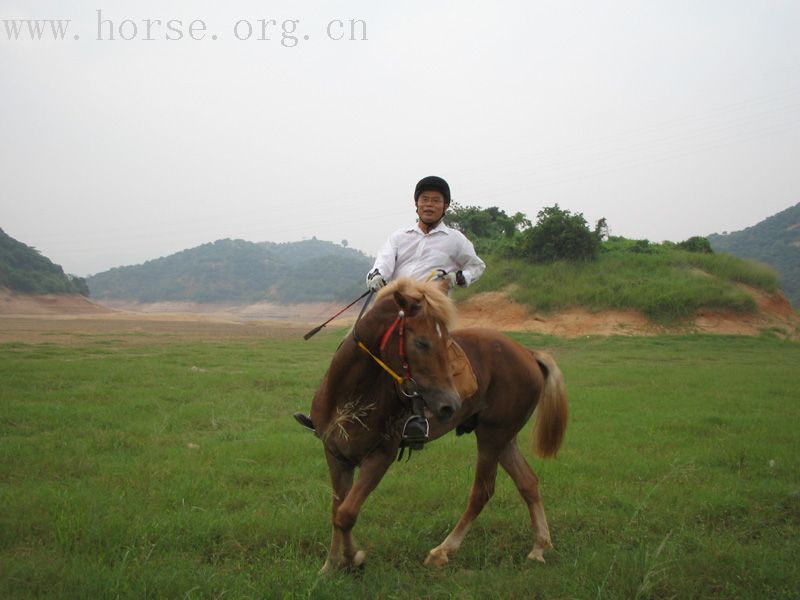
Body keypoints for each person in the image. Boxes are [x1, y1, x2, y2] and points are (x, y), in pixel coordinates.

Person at [294, 175, 485, 444]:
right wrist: (376, 276)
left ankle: (419, 420)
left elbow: (477, 266)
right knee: (348, 348)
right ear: (416, 204)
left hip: (427, 313)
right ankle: (325, 414)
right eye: (424, 200)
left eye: (436, 201)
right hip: (392, 309)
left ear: (445, 207)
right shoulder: (399, 236)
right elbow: (383, 262)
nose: (429, 205)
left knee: (428, 362)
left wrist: (457, 278)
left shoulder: (455, 240)